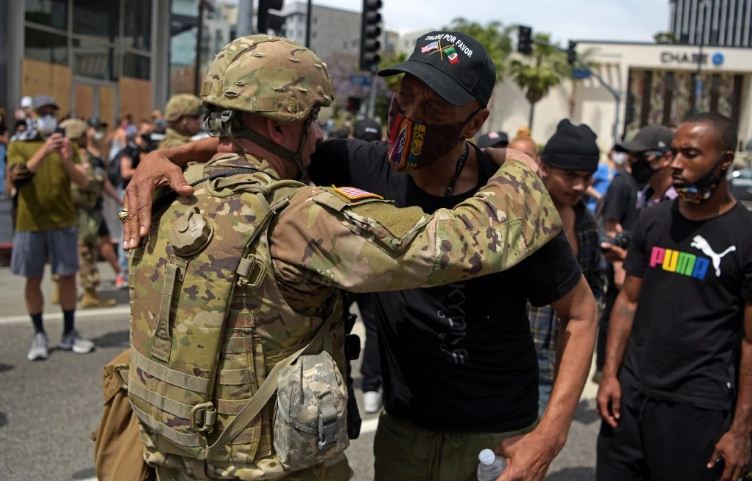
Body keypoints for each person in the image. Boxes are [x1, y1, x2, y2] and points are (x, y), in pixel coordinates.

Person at [124, 31, 597, 481]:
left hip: (497, 435)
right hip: (404, 428)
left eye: (434, 105)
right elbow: (257, 137)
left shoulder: (511, 198)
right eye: (406, 95)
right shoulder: (356, 165)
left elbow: (580, 314)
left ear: (474, 123)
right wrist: (167, 154)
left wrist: (550, 437)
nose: (411, 114)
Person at [596, 112, 752, 481]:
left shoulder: (745, 236)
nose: (676, 165)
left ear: (725, 160)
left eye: (691, 154)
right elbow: (628, 302)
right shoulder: (653, 220)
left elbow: (750, 341)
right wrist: (610, 375)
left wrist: (742, 429)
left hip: (698, 409)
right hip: (630, 401)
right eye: (674, 153)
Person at [527, 120, 606, 417]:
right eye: (571, 175)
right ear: (544, 167)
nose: (580, 186)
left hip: (558, 364)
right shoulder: (520, 214)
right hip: (511, 364)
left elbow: (595, 282)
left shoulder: (586, 221)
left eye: (587, 178)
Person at [7, 95, 94, 360]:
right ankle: (39, 334)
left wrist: (66, 158)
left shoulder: (67, 144)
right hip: (30, 222)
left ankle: (69, 333)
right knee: (33, 278)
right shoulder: (19, 144)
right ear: (32, 115)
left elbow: (83, 180)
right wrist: (44, 150)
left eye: (52, 112)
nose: (48, 116)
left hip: (63, 221)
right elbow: (17, 178)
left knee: (68, 276)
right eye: (43, 112)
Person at [593, 125, 674, 381]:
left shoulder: (676, 205)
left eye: (642, 157)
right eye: (633, 157)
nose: (635, 163)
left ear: (666, 158)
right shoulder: (645, 196)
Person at [60, 118, 121, 308]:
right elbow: (94, 181)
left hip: (65, 210)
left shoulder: (59, 155)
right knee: (87, 252)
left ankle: (58, 290)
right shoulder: (80, 156)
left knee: (64, 252)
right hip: (84, 211)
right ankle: (90, 295)